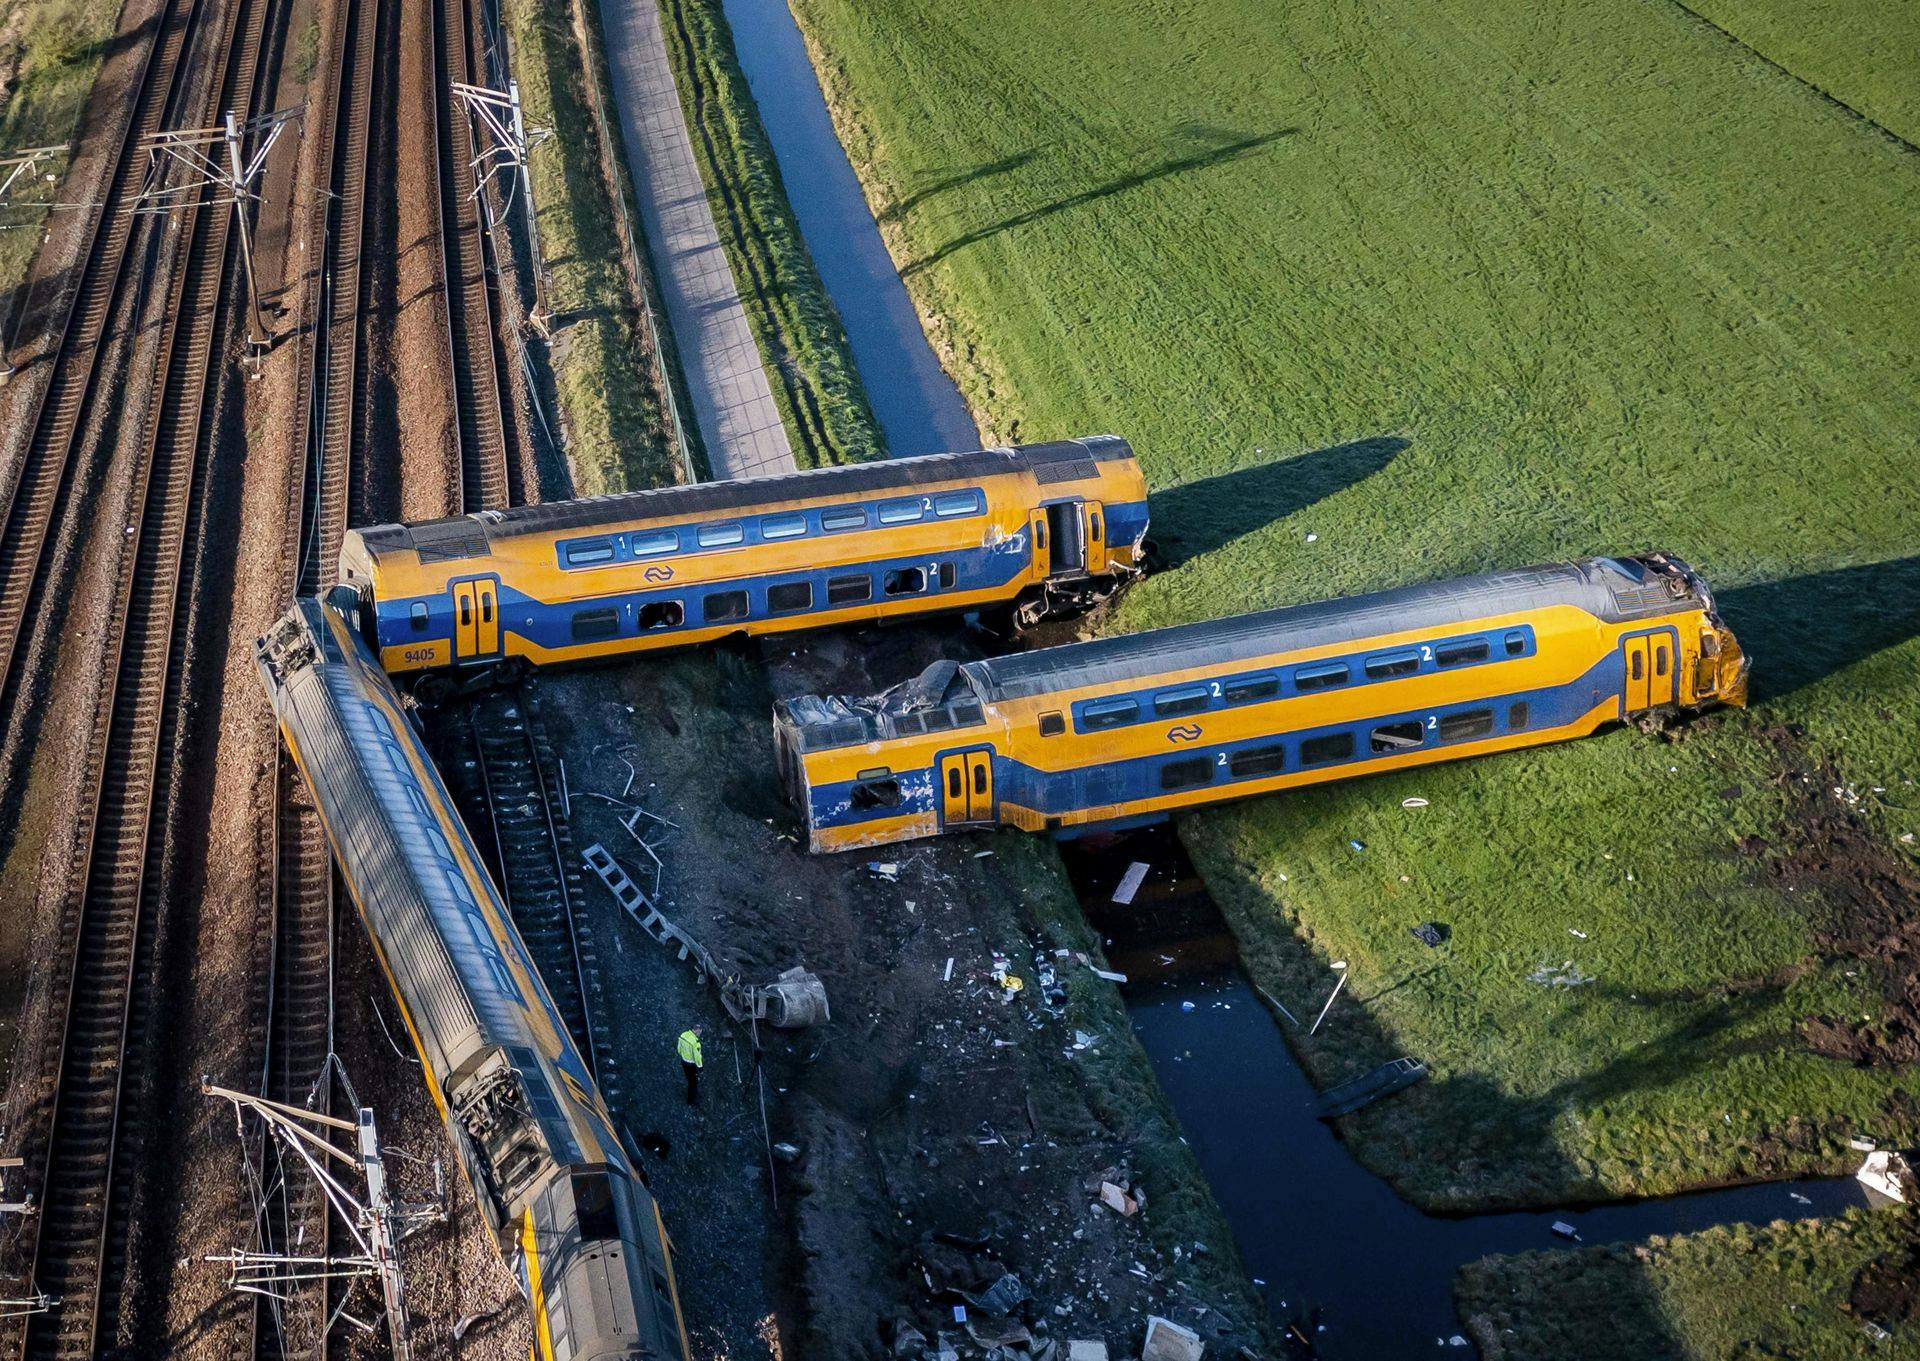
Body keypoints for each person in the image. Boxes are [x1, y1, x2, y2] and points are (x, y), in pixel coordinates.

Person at [676, 1027, 704, 1106]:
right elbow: (697, 1057)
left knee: (689, 1077)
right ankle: (691, 1101)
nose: (700, 1034)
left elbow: (678, 1049)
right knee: (693, 1083)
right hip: (691, 1065)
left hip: (683, 1061)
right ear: (697, 1030)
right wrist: (700, 1068)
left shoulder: (683, 1035)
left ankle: (689, 1081)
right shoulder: (695, 1042)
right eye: (700, 1032)